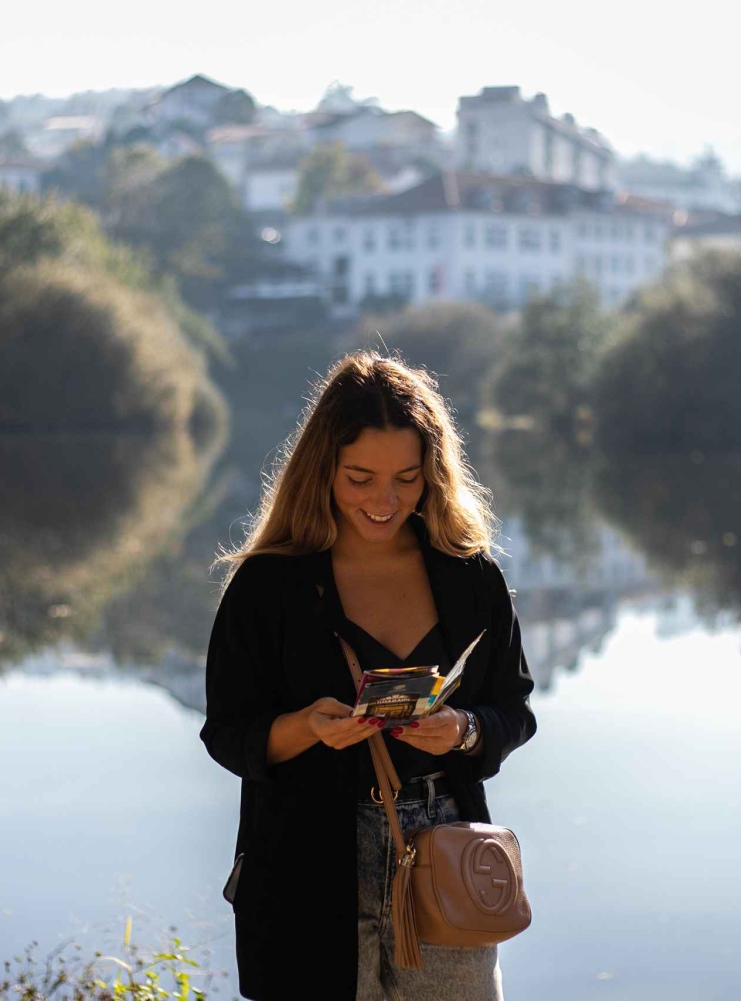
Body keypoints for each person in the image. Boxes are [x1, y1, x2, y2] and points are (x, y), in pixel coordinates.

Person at [200, 351, 537, 1001]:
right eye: (360, 478)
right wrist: (304, 728)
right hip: (305, 861)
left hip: (445, 855)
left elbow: (513, 709)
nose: (384, 502)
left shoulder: (472, 577)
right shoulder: (268, 585)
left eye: (406, 479)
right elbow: (227, 733)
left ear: (431, 473)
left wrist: (463, 730)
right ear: (322, 469)